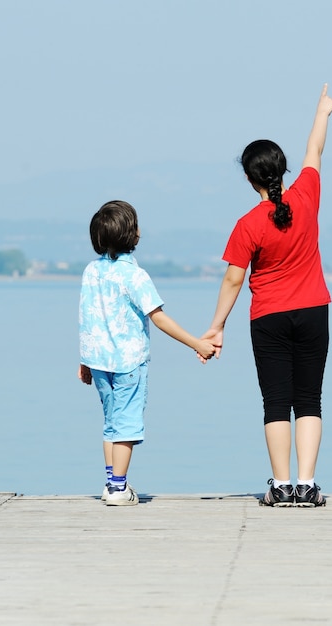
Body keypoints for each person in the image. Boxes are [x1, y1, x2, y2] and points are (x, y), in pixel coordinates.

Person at [201, 84, 332, 507]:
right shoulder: (307, 196)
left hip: (269, 317)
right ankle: (308, 484)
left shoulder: (248, 224)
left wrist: (216, 326)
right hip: (314, 310)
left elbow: (232, 281)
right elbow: (315, 150)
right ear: (284, 171)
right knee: (309, 399)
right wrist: (322, 112)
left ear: (249, 178)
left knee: (277, 401)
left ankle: (280, 487)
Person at [78, 200, 216, 506]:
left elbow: (88, 317)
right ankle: (118, 488)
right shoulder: (135, 276)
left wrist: (85, 360)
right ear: (133, 234)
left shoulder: (91, 272)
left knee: (111, 423)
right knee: (126, 425)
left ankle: (111, 481)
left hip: (99, 362)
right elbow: (159, 317)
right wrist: (197, 343)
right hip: (128, 363)